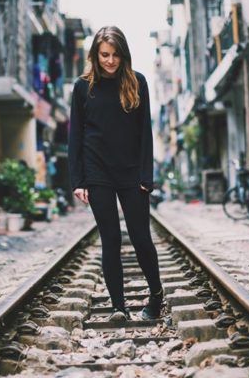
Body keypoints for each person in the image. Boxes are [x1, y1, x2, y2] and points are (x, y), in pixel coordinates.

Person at [68, 25, 164, 322]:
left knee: (140, 237)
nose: (110, 61)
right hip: (97, 172)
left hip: (132, 172)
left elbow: (145, 133)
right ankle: (118, 307)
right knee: (110, 238)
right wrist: (78, 180)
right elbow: (76, 137)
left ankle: (156, 295)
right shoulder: (83, 87)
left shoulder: (138, 82)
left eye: (115, 55)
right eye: (105, 55)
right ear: (96, 55)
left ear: (124, 55)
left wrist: (146, 176)